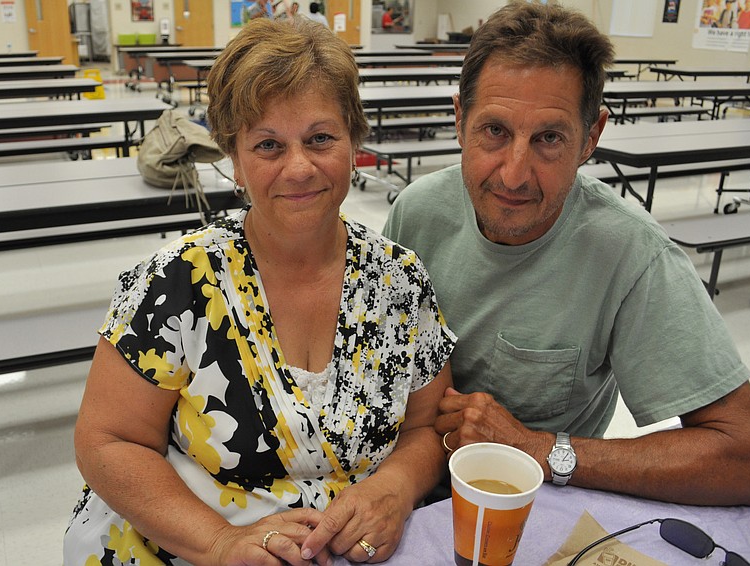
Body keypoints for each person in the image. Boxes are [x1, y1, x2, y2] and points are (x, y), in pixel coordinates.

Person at [64, 17, 456, 565]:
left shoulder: (400, 282)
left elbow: (425, 426)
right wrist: (219, 542)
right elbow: (107, 443)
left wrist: (393, 486)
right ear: (235, 160)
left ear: (354, 140)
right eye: (269, 145)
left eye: (320, 138)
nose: (299, 167)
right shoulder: (177, 284)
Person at [382, 1, 750, 507]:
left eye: (549, 138)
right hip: (405, 490)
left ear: (591, 137)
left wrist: (539, 449)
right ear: (460, 119)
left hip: (533, 506)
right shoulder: (417, 214)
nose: (514, 174)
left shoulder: (630, 256)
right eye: (495, 131)